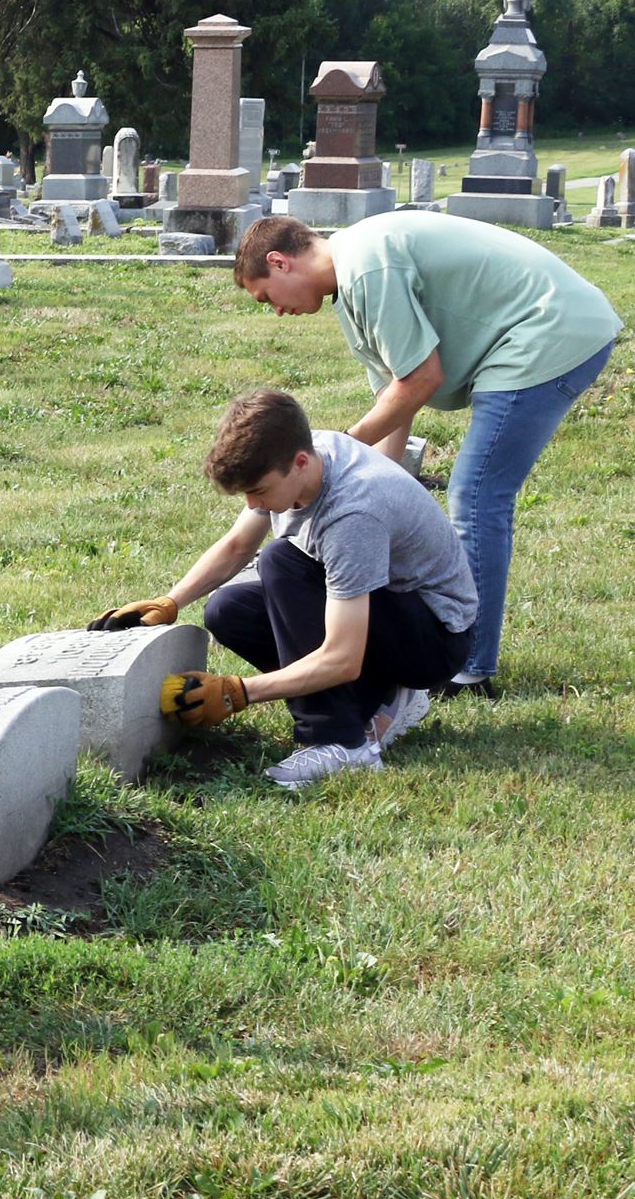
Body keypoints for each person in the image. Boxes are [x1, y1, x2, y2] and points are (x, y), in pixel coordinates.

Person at [234, 212, 619, 694]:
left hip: (549, 330)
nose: (275, 310)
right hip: (540, 331)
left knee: (476, 495)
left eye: (266, 295)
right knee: (472, 492)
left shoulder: (368, 266)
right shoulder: (353, 288)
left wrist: (330, 454)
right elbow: (397, 398)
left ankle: (470, 666)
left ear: (279, 262)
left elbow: (421, 379)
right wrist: (370, 480)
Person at [100, 389, 477, 790]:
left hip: (434, 639)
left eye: (258, 491)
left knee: (281, 562)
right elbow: (237, 546)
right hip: (390, 617)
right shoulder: (301, 458)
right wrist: (170, 601)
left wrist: (237, 692)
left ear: (299, 463)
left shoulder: (353, 514)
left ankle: (341, 743)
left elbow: (344, 658)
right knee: (228, 610)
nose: (252, 503)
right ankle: (381, 700)